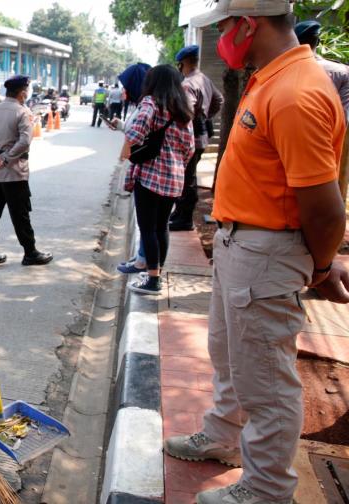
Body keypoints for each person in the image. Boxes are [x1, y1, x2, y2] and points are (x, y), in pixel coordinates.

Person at [165, 2, 349, 503]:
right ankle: (224, 437)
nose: (221, 39)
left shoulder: (296, 92)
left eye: (224, 27)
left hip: (266, 251)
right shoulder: (272, 78)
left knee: (266, 380)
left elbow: (327, 208)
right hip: (240, 242)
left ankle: (267, 489)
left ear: (249, 24)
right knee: (231, 358)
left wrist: (319, 264)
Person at [115, 65, 195, 295]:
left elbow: (134, 134)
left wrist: (130, 144)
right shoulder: (183, 109)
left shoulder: (151, 103)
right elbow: (189, 148)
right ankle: (156, 274)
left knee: (147, 228)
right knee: (162, 228)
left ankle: (152, 280)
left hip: (151, 176)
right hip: (174, 177)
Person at [0, 75, 54, 267]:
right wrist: (6, 158)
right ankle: (30, 252)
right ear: (23, 92)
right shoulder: (23, 112)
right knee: (20, 214)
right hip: (14, 173)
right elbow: (25, 141)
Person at [169, 45, 224, 231]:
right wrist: (207, 116)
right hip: (202, 136)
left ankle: (184, 218)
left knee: (186, 178)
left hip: (191, 138)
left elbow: (187, 111)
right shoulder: (204, 79)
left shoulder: (188, 84)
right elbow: (219, 100)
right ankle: (180, 214)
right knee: (189, 175)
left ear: (183, 63)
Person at [295, 19, 349, 200]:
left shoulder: (286, 68)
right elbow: (344, 117)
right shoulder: (341, 72)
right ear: (317, 42)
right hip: (330, 151)